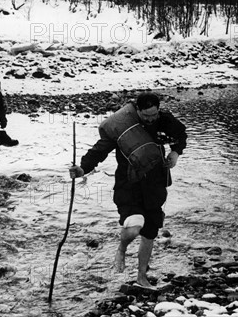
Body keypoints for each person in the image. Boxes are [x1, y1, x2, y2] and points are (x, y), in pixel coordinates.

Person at [69, 92, 187, 288]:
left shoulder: (164, 119)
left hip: (155, 183)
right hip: (129, 185)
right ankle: (122, 248)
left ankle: (142, 277)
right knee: (133, 227)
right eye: (146, 116)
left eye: (154, 115)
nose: (150, 119)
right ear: (137, 111)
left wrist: (175, 152)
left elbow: (181, 134)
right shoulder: (122, 126)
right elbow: (99, 150)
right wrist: (82, 168)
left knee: (150, 231)